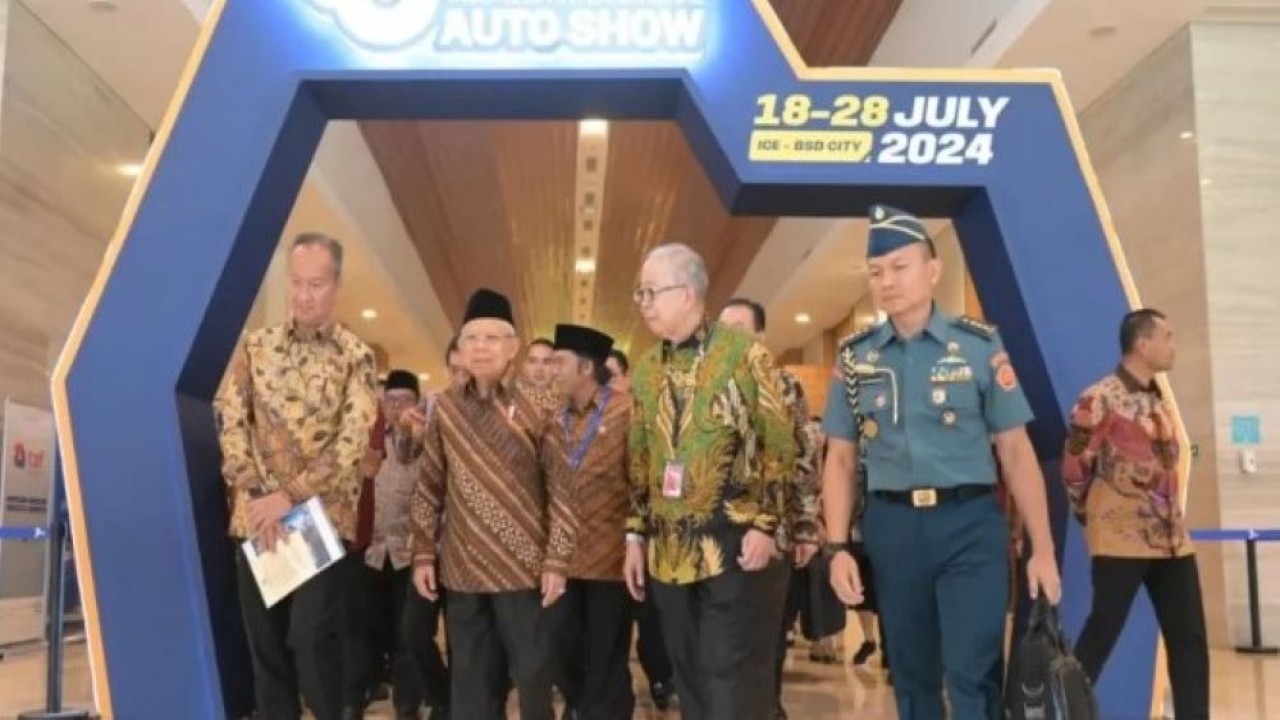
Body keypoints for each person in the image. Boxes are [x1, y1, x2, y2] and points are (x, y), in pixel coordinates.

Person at [821, 205, 1062, 720]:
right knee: (911, 675)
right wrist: (836, 547)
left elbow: (1015, 451)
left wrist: (1042, 548)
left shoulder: (977, 346)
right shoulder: (855, 358)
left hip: (969, 525)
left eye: (900, 267)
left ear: (933, 270)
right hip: (893, 528)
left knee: (972, 671)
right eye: (876, 271)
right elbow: (839, 459)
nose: (887, 281)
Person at [625, 243, 796, 719]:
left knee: (731, 678)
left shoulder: (744, 356)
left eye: (650, 292)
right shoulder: (645, 370)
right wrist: (634, 537)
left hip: (734, 545)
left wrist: (766, 523)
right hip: (669, 552)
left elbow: (779, 444)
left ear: (685, 293)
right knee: (691, 679)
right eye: (641, 293)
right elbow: (639, 461)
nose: (643, 303)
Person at [216, 232, 378, 720]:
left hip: (319, 522)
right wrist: (259, 495)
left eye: (317, 284)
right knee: (266, 652)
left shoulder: (356, 356)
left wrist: (289, 496)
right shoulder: (255, 348)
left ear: (337, 285)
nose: (306, 295)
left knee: (310, 640)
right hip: (257, 520)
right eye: (297, 283)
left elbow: (351, 443)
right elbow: (230, 419)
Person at [410, 288, 573, 720]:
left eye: (492, 338)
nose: (481, 347)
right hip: (463, 571)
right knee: (470, 683)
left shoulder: (542, 407)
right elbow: (429, 485)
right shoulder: (443, 409)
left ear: (513, 347)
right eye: (472, 339)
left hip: (524, 570)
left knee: (535, 677)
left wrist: (557, 559)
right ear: (460, 350)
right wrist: (423, 552)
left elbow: (562, 490)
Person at [1062, 309, 1208, 719]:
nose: (1173, 345)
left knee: (1189, 637)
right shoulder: (1100, 398)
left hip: (1171, 539)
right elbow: (1074, 468)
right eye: (1168, 336)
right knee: (1103, 629)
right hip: (1119, 537)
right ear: (1142, 345)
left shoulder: (1158, 402)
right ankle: (1064, 709)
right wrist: (1094, 517)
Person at [718, 298, 821, 720]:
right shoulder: (702, 387)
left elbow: (803, 460)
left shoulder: (783, 387)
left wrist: (805, 526)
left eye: (740, 329)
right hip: (714, 537)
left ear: (761, 336)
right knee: (721, 644)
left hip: (770, 536)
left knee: (764, 642)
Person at [544, 324, 636, 720]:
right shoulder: (551, 415)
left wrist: (636, 540)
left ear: (584, 366)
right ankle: (581, 704)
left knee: (607, 653)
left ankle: (602, 710)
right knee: (558, 643)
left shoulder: (625, 411)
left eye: (558, 361)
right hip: (561, 559)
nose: (551, 369)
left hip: (610, 558)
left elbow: (639, 480)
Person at [605, 348, 676, 711]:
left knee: (651, 619)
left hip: (648, 534)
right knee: (612, 627)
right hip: (604, 541)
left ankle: (661, 678)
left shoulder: (647, 415)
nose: (608, 385)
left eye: (613, 376)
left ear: (627, 377)